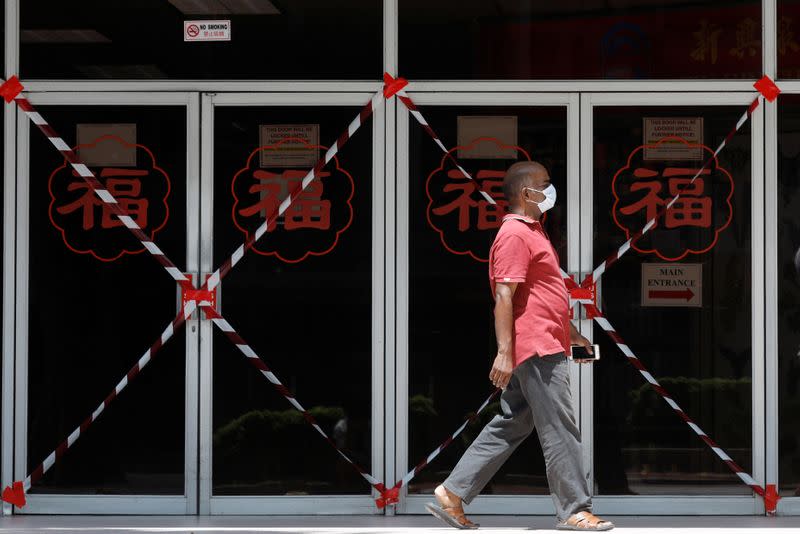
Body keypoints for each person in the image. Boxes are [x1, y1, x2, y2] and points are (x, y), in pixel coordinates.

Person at [425, 161, 614, 531]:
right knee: (560, 428)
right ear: (527, 193)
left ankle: (453, 493)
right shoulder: (514, 235)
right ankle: (575, 509)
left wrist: (573, 337)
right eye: (545, 184)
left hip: (543, 342)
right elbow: (504, 296)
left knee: (512, 423)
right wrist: (505, 352)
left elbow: (543, 296)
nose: (550, 190)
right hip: (536, 349)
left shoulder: (534, 231)